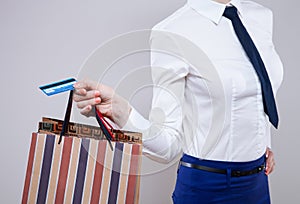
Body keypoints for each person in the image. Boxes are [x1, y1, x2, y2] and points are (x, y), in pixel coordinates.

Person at [73, 0, 283, 203]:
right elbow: (168, 146)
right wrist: (119, 110)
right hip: (208, 186)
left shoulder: (261, 16)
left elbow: (260, 88)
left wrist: (261, 143)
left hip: (257, 182)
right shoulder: (174, 31)